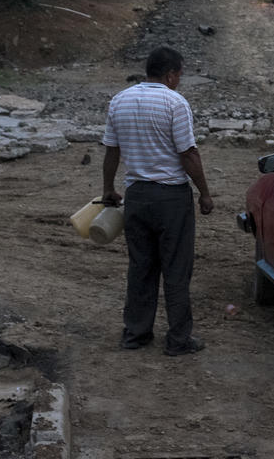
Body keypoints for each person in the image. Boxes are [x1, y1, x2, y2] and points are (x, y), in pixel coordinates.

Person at [101, 47, 214, 356]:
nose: (179, 80)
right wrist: (204, 193)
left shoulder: (119, 100)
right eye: (179, 75)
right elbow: (188, 153)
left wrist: (108, 188)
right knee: (176, 269)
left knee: (141, 266)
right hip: (171, 198)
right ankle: (178, 340)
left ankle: (135, 334)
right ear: (170, 74)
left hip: (136, 195)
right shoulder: (174, 102)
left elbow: (111, 151)